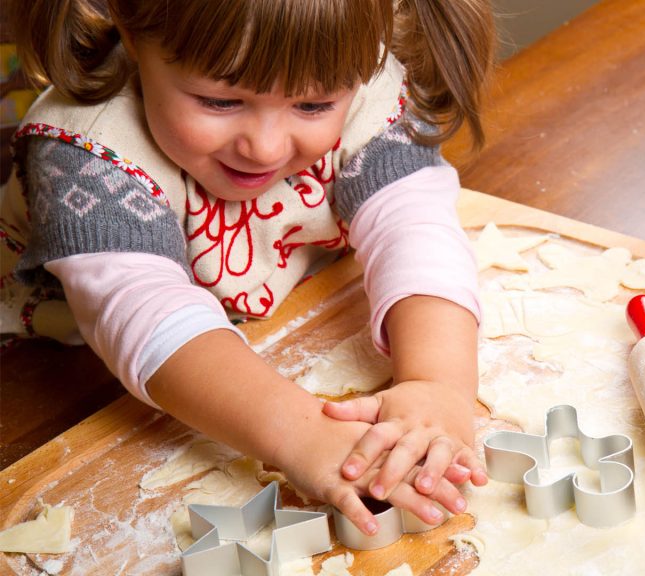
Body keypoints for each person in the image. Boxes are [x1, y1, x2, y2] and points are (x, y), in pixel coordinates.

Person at [0, 0, 494, 536]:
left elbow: (413, 224)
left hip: (278, 310)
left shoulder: (351, 67)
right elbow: (147, 315)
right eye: (219, 100)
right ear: (132, 32)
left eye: (312, 107)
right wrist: (303, 435)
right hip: (60, 370)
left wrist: (438, 383)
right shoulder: (85, 150)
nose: (265, 147)